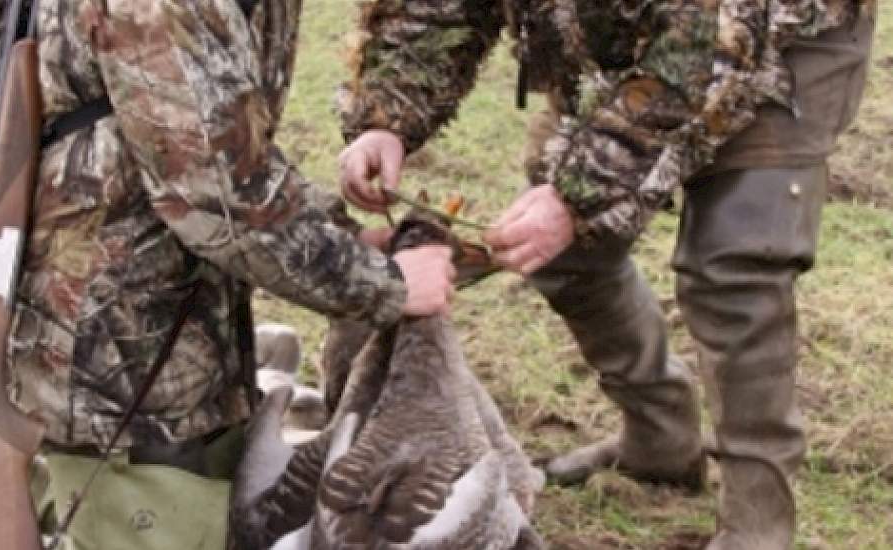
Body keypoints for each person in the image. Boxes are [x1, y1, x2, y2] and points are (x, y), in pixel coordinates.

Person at [336, 1, 877, 548]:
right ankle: (661, 438)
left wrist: (576, 196)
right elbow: (438, 8)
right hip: (616, 38)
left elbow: (704, 47)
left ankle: (758, 523)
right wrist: (389, 120)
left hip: (781, 36)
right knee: (565, 250)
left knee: (736, 263)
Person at [0, 1, 455, 549]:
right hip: (120, 363)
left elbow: (230, 143)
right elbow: (214, 190)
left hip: (175, 332)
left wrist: (344, 240)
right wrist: (386, 283)